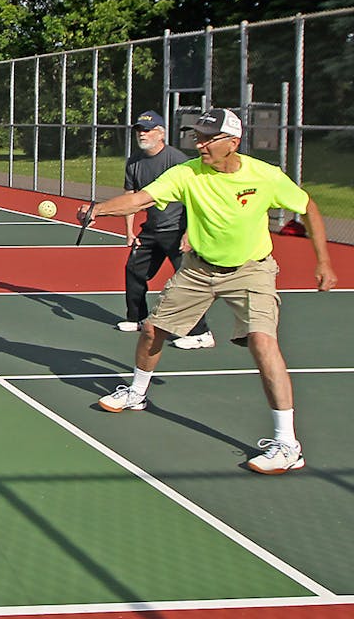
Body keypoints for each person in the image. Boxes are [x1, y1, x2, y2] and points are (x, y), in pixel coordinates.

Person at [79, 108, 338, 475]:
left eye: (207, 138)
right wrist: (98, 210)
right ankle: (137, 392)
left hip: (252, 270)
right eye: (196, 137)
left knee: (263, 343)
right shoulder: (187, 173)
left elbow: (307, 205)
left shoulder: (265, 176)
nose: (198, 144)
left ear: (233, 142)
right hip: (198, 269)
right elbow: (141, 199)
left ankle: (287, 444)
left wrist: (324, 262)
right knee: (152, 330)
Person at [119, 110, 213, 348]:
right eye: (140, 130)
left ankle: (200, 333)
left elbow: (195, 199)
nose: (143, 134)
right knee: (134, 270)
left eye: (148, 130)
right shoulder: (134, 162)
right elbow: (131, 197)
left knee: (186, 281)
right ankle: (137, 317)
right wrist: (130, 232)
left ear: (161, 133)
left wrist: (189, 233)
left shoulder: (178, 160)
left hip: (177, 229)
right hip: (150, 230)